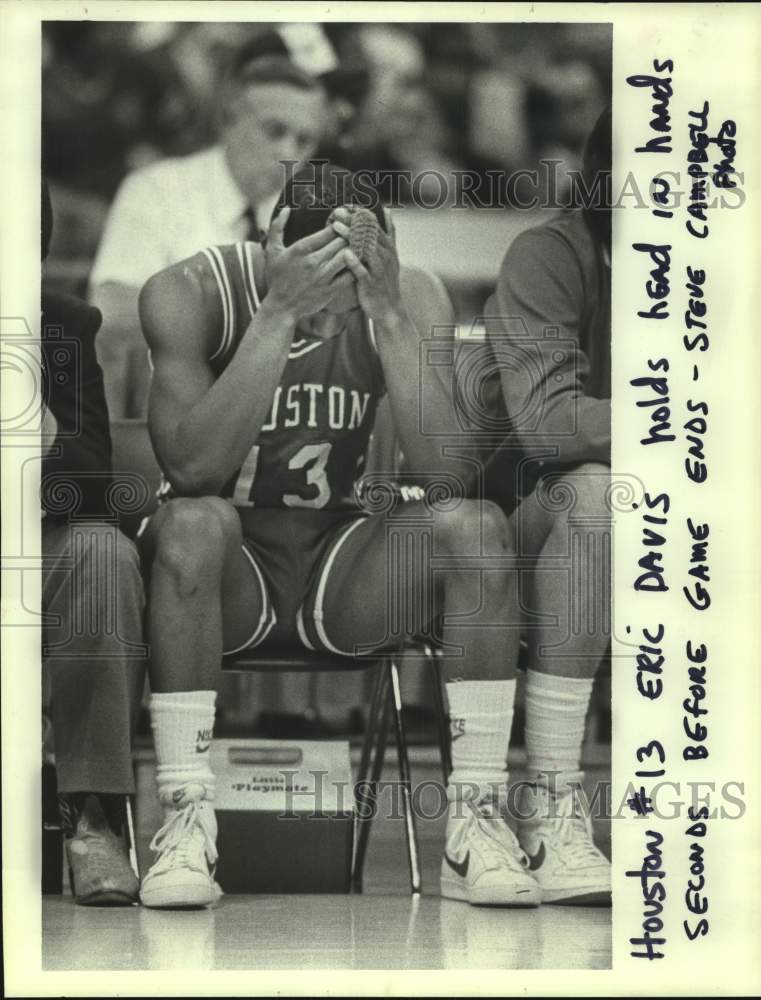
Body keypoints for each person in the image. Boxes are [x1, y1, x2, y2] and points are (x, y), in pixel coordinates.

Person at [136, 163, 539, 909]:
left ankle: (476, 819)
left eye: (346, 292)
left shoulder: (408, 292)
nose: (332, 319)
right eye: (320, 288)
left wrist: (384, 313)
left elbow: (449, 473)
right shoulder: (188, 293)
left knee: (476, 530)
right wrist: (277, 316)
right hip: (230, 572)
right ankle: (187, 814)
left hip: (341, 565)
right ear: (272, 247)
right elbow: (192, 469)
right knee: (190, 523)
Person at [478, 107, 612, 904]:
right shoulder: (551, 253)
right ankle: (552, 804)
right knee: (597, 497)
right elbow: (546, 424)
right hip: (538, 528)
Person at [89, 36, 330, 420]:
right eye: (274, 130)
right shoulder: (155, 190)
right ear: (228, 118)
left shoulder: (311, 215)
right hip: (172, 413)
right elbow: (115, 315)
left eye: (305, 140)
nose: (289, 153)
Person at [41, 182, 146, 905]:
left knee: (103, 553)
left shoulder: (62, 325)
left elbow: (90, 481)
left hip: (30, 550)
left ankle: (92, 814)